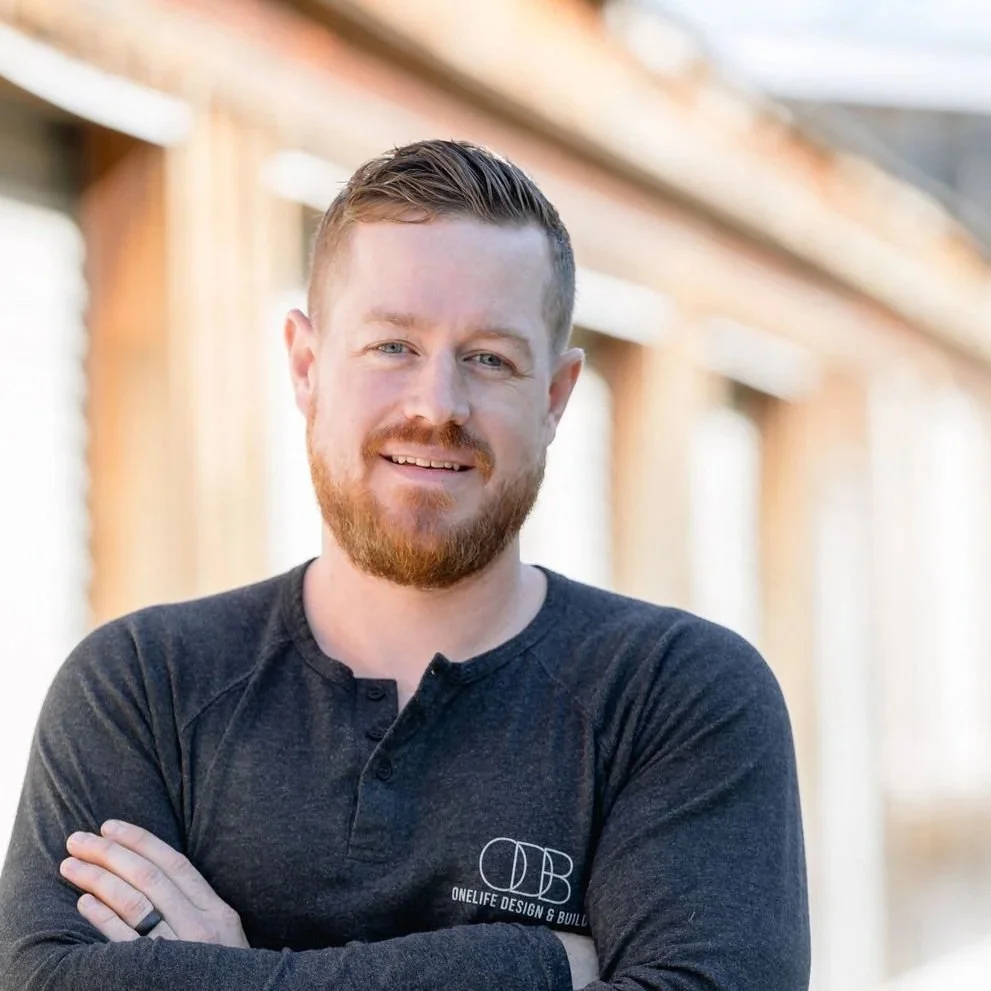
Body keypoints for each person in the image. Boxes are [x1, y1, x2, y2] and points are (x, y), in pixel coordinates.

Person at [0, 139, 810, 990]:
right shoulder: (143, 685)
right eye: (392, 346)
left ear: (555, 397)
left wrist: (224, 976)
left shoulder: (677, 695)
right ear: (307, 366)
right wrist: (527, 963)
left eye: (489, 358)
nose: (436, 406)